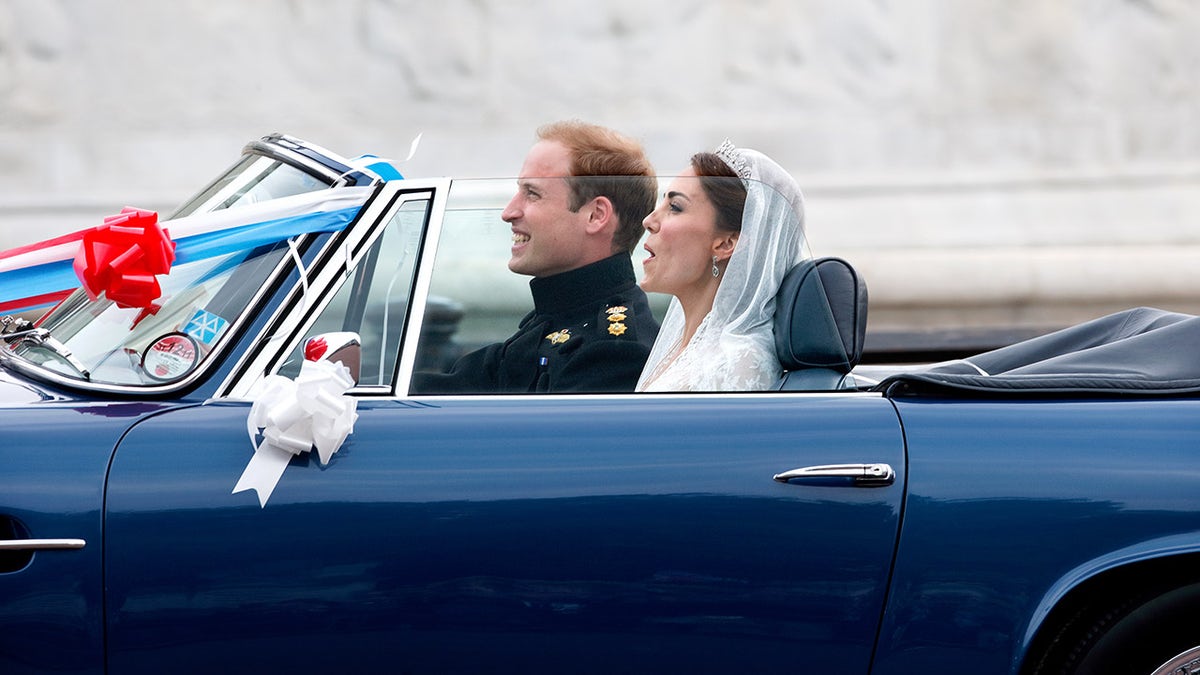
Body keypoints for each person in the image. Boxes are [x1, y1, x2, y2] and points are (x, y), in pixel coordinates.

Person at [412, 120, 660, 394]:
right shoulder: (556, 316)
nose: (508, 212)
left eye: (532, 194)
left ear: (596, 215)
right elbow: (453, 387)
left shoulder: (613, 352)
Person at [636, 141, 806, 391]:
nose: (648, 221)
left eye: (674, 207)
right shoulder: (686, 346)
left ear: (726, 243)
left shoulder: (737, 362)